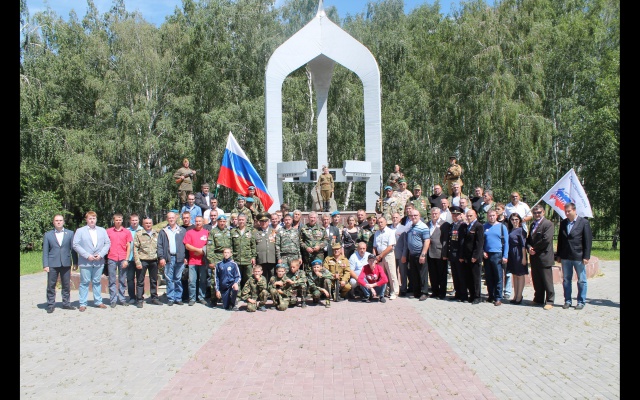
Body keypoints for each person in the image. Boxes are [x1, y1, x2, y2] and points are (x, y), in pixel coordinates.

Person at [556, 202, 592, 310]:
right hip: (565, 256)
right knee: (566, 279)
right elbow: (560, 240)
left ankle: (581, 301)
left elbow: (587, 240)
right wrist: (558, 254)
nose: (567, 213)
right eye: (565, 211)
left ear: (574, 210)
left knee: (581, 280)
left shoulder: (583, 222)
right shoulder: (563, 223)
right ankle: (567, 301)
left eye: (569, 211)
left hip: (578, 256)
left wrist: (586, 256)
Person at [72, 211, 111, 312]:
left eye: (94, 218)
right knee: (84, 282)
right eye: (90, 218)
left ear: (96, 219)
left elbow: (107, 243)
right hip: (85, 261)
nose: (92, 220)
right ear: (86, 220)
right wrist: (86, 255)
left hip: (99, 261)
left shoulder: (102, 230)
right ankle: (82, 303)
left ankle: (98, 301)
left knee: (97, 281)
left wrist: (101, 254)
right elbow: (75, 244)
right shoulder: (80, 231)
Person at [42, 214, 78, 313]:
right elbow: (45, 251)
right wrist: (45, 264)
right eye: (56, 220)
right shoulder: (48, 235)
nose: (59, 222)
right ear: (53, 222)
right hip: (52, 263)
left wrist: (75, 262)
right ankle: (51, 304)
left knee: (66, 285)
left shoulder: (70, 233)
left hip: (66, 263)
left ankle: (66, 303)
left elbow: (73, 250)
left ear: (63, 222)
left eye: (60, 220)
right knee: (51, 285)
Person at [526, 205, 555, 310]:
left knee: (547, 280)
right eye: (535, 213)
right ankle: (538, 299)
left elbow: (546, 239)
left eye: (539, 212)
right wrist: (528, 247)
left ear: (543, 212)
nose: (537, 214)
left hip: (544, 256)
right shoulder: (533, 224)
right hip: (534, 257)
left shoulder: (548, 224)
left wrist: (534, 249)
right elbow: (529, 239)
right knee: (536, 279)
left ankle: (550, 301)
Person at [157, 211, 187, 306]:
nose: (171, 219)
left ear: (176, 218)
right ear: (167, 219)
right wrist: (161, 257)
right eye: (169, 218)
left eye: (172, 217)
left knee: (178, 278)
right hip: (169, 257)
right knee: (169, 279)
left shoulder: (182, 230)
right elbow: (159, 245)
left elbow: (186, 244)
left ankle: (178, 298)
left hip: (180, 258)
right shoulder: (163, 231)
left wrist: (186, 257)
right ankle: (170, 298)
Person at [401, 208, 431, 300]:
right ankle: (417, 292)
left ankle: (424, 292)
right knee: (414, 274)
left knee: (422, 274)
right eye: (411, 215)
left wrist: (423, 254)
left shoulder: (423, 227)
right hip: (412, 254)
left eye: (415, 215)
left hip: (420, 254)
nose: (413, 217)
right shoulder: (410, 226)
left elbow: (427, 241)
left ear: (419, 216)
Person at [132, 216, 161, 308]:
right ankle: (139, 299)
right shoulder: (139, 234)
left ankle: (154, 298)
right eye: (146, 223)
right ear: (143, 224)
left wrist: (160, 259)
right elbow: (135, 249)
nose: (148, 225)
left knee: (154, 280)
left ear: (152, 224)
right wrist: (137, 262)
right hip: (143, 260)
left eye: (150, 223)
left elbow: (159, 247)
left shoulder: (156, 233)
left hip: (154, 260)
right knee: (140, 281)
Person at [482, 209, 509, 306]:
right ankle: (491, 296)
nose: (491, 217)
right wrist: (483, 251)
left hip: (498, 254)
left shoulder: (502, 227)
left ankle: (498, 297)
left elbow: (506, 242)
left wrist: (505, 256)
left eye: (493, 215)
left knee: (498, 277)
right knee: (489, 276)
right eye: (490, 215)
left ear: (496, 216)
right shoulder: (484, 227)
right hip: (487, 255)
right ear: (487, 216)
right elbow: (481, 242)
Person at [105, 213, 133, 308]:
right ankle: (113, 300)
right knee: (112, 280)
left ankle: (122, 299)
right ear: (114, 220)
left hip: (123, 258)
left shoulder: (126, 232)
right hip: (111, 257)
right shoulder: (108, 231)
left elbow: (129, 246)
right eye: (116, 220)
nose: (118, 221)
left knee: (122, 280)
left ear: (122, 220)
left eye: (120, 220)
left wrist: (127, 259)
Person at [459, 209, 484, 304]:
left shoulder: (479, 226)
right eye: (468, 216)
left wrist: (475, 256)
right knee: (469, 277)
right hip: (467, 256)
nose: (469, 217)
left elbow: (479, 243)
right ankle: (472, 295)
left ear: (475, 216)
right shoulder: (466, 226)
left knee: (476, 278)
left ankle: (477, 296)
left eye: (471, 216)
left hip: (474, 257)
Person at [206, 215, 232, 305]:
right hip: (217, 257)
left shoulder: (229, 231)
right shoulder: (213, 232)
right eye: (220, 221)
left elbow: (232, 246)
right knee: (215, 279)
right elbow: (210, 247)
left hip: (227, 257)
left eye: (224, 221)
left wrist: (232, 259)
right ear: (217, 222)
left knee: (227, 278)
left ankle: (225, 297)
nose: (222, 223)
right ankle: (214, 299)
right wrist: (211, 261)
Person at [184, 216, 210, 306]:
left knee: (203, 280)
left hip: (203, 261)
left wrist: (202, 252)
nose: (198, 223)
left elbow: (209, 245)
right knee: (192, 281)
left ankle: (201, 297)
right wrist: (198, 250)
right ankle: (192, 298)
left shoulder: (207, 233)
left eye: (200, 221)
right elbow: (187, 246)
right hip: (192, 261)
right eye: (196, 221)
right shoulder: (189, 232)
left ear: (203, 222)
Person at [426, 207, 451, 300]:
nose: (434, 215)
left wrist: (445, 254)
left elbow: (446, 240)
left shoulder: (445, 224)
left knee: (442, 274)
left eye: (436, 213)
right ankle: (435, 291)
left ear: (439, 214)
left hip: (440, 252)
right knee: (432, 274)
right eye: (432, 213)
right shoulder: (428, 224)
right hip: (429, 252)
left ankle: (442, 293)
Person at [373, 216, 399, 299]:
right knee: (382, 275)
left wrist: (380, 256)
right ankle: (384, 292)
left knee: (391, 274)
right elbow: (374, 246)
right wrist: (375, 257)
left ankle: (394, 292)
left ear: (386, 222)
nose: (380, 224)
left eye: (382, 222)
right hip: (379, 256)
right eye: (379, 222)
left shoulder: (390, 232)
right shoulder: (376, 233)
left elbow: (390, 246)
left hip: (388, 255)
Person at [506, 212, 528, 305]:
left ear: (519, 220)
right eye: (512, 219)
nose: (514, 221)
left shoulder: (521, 230)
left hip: (519, 253)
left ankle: (519, 296)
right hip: (511, 253)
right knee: (514, 275)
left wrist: (524, 258)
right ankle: (515, 295)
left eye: (516, 219)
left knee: (520, 275)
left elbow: (523, 245)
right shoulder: (510, 230)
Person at [231, 213, 256, 290]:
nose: (241, 221)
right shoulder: (233, 231)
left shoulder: (250, 231)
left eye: (243, 220)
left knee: (248, 278)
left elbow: (253, 245)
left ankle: (247, 293)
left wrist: (253, 257)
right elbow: (231, 246)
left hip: (248, 259)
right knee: (237, 278)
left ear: (246, 220)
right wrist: (231, 258)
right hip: (236, 259)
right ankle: (238, 294)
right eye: (240, 220)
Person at [447, 206, 468, 302]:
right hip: (452, 254)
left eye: (457, 215)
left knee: (461, 276)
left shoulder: (463, 225)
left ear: (460, 215)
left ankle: (464, 295)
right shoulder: (452, 225)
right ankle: (457, 294)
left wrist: (461, 255)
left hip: (459, 255)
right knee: (455, 275)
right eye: (453, 215)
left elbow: (462, 242)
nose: (455, 216)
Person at [253, 212, 277, 283]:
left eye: (265, 221)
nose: (264, 223)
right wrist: (254, 257)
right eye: (262, 221)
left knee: (272, 277)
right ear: (259, 222)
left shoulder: (274, 231)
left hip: (272, 259)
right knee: (262, 278)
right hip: (261, 259)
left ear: (269, 221)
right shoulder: (255, 232)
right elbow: (253, 246)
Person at [126, 213, 144, 304]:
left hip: (140, 259)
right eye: (132, 220)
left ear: (138, 221)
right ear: (130, 221)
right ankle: (132, 297)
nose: (134, 222)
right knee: (130, 279)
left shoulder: (143, 230)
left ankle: (140, 296)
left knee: (140, 279)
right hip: (129, 259)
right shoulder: (126, 231)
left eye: (136, 220)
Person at [390, 212, 408, 297]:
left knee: (403, 272)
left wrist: (404, 254)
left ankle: (403, 289)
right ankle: (394, 289)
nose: (395, 219)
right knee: (392, 272)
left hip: (400, 254)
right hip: (390, 254)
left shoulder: (404, 228)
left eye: (396, 217)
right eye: (393, 217)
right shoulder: (389, 228)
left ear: (400, 219)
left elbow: (405, 243)